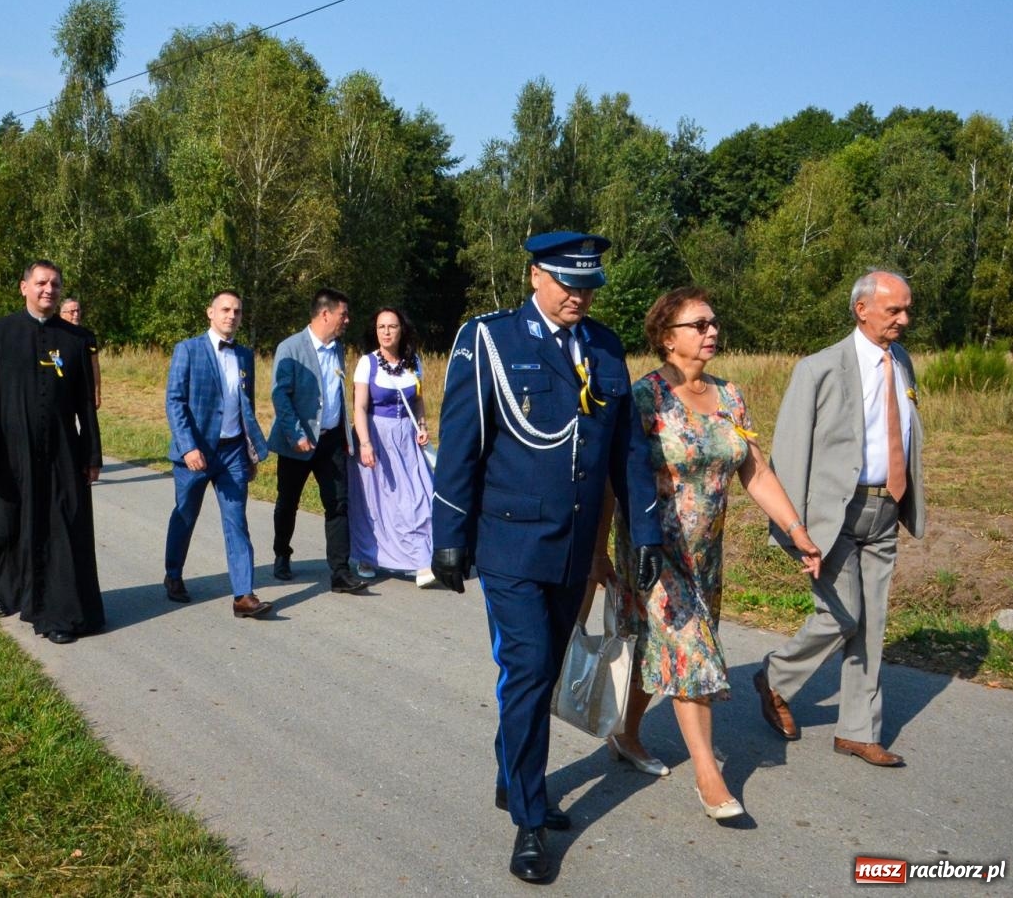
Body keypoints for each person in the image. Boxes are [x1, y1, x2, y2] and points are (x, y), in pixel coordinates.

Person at [429, 231, 664, 884]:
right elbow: (460, 440)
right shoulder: (491, 340)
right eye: (567, 281)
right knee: (528, 663)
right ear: (535, 274)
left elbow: (629, 453)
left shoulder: (607, 347)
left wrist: (644, 532)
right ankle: (530, 820)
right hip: (510, 541)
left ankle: (512, 773)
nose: (579, 294)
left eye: (589, 284)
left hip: (576, 549)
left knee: (543, 669)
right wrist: (448, 532)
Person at [604, 288, 822, 821]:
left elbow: (756, 471)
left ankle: (627, 734)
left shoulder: (732, 397)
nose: (712, 332)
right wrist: (596, 557)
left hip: (707, 554)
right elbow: (615, 482)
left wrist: (795, 529)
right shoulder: (644, 398)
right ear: (666, 336)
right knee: (690, 655)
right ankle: (710, 775)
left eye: (714, 323)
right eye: (699, 324)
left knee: (662, 653)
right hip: (654, 551)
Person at [751, 271, 927, 768]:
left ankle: (857, 730)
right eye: (894, 311)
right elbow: (788, 452)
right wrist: (791, 529)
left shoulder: (903, 364)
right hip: (833, 514)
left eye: (907, 309)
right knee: (841, 614)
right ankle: (776, 677)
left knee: (871, 623)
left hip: (886, 507)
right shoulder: (819, 368)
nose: (904, 320)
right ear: (862, 309)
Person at [0, 260, 103, 644]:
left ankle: (57, 611)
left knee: (61, 527)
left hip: (61, 452)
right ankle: (3, 587)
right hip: (9, 452)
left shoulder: (74, 341)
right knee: (2, 527)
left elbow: (85, 407)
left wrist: (92, 456)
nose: (49, 289)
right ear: (23, 286)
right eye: (41, 283)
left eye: (56, 284)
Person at [162, 289, 273, 620]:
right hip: (196, 452)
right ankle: (173, 573)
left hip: (233, 453)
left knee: (237, 521)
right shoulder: (188, 350)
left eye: (237, 311)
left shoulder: (245, 356)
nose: (231, 316)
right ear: (210, 313)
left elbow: (245, 407)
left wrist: (250, 453)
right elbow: (175, 401)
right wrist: (189, 446)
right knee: (185, 515)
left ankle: (243, 595)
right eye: (225, 309)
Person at [268, 287, 366, 594]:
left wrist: (347, 435)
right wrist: (296, 433)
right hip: (298, 441)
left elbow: (337, 392)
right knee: (288, 502)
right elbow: (280, 396)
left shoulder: (338, 348)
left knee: (338, 504)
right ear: (325, 314)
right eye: (343, 314)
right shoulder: (291, 347)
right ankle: (282, 554)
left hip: (332, 441)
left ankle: (339, 572)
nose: (347, 320)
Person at [348, 306, 436, 586]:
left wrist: (422, 427)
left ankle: (421, 560)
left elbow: (418, 401)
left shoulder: (414, 362)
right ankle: (368, 556)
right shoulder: (367, 363)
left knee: (419, 499)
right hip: (375, 435)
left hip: (407, 438)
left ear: (402, 330)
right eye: (381, 327)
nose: (386, 332)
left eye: (392, 327)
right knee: (374, 501)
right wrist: (365, 443)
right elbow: (359, 407)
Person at [59, 296, 102, 409]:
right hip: (61, 393)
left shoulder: (88, 336)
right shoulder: (55, 336)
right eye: (72, 312)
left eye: (78, 311)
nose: (76, 314)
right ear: (62, 314)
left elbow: (95, 366)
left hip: (84, 392)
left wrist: (97, 393)